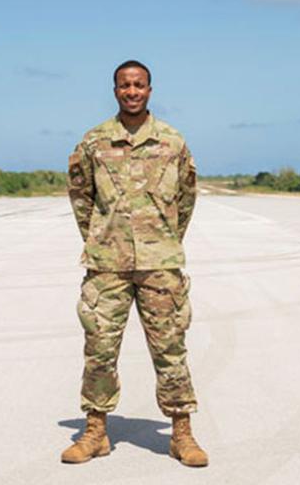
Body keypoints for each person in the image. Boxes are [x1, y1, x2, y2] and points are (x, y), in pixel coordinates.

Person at [61, 59, 208, 467]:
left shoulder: (172, 141)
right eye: (124, 85)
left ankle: (181, 433)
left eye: (138, 85)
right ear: (115, 91)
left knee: (171, 348)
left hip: (160, 263)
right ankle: (95, 432)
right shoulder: (93, 142)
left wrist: (163, 239)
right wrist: (102, 239)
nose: (132, 92)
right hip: (107, 265)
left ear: (149, 89)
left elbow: (187, 198)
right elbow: (80, 198)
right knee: (99, 348)